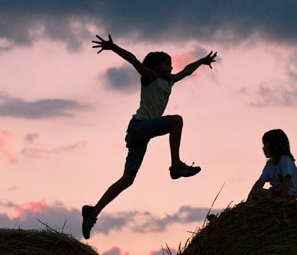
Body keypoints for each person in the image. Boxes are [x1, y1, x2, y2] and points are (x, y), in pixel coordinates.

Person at [81, 34, 217, 239]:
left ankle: (93, 212)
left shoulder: (169, 81)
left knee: (128, 179)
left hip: (142, 135)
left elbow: (187, 71)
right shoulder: (149, 76)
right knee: (176, 120)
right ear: (156, 66)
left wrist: (202, 61)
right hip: (139, 127)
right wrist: (112, 47)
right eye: (167, 64)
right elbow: (133, 60)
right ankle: (176, 165)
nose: (171, 67)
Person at [247, 129, 297, 201]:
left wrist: (282, 199)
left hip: (288, 196)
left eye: (265, 145)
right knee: (257, 192)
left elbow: (286, 181)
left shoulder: (285, 160)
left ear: (274, 146)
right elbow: (260, 182)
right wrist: (248, 200)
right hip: (274, 193)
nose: (263, 148)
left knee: (258, 192)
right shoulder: (269, 164)